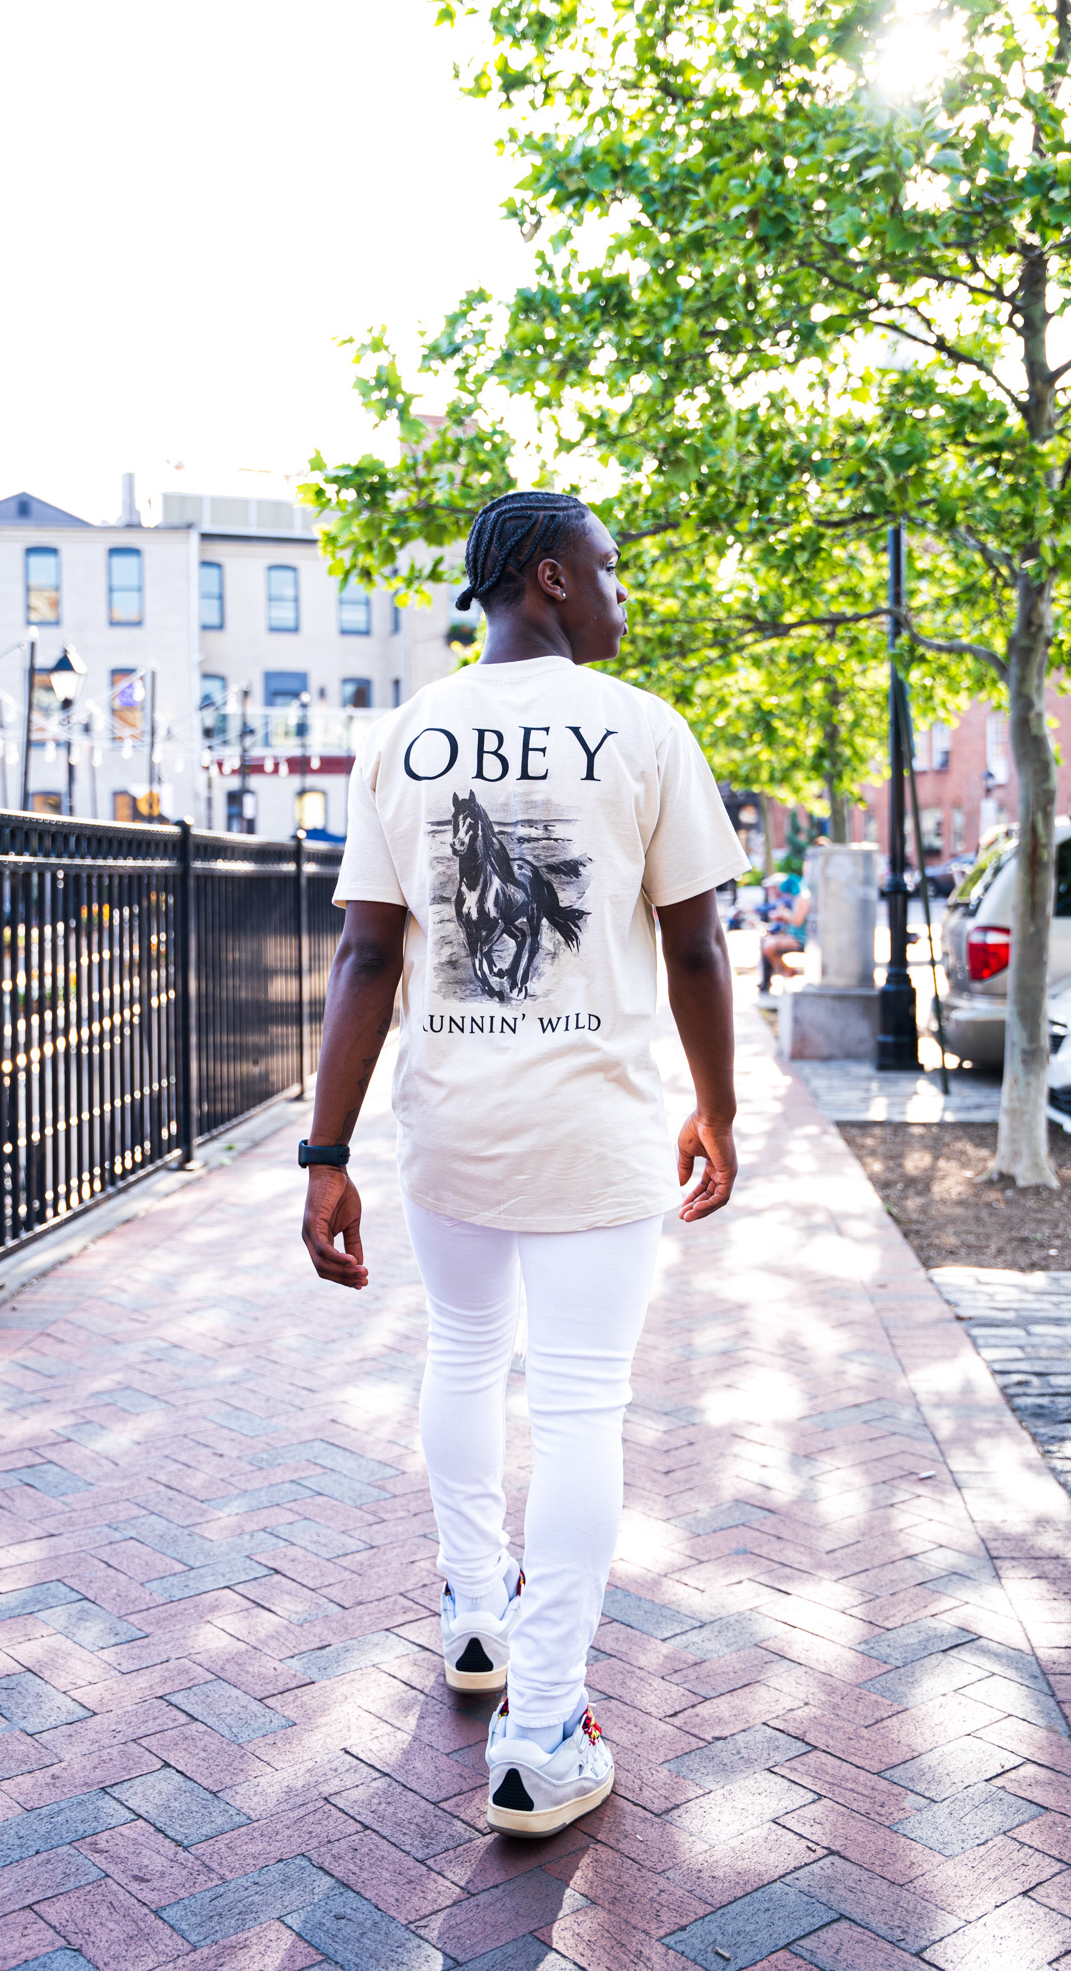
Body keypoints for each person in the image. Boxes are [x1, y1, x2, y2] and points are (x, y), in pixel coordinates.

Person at [299, 489, 748, 1839]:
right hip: (594, 1129)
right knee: (578, 1409)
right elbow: (695, 949)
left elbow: (365, 955)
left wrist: (325, 1154)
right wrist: (718, 1111)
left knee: (460, 1353)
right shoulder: (644, 728)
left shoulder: (405, 735)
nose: (621, 592)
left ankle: (474, 1618)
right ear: (550, 578)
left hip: (451, 1128)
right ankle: (543, 1729)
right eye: (608, 567)